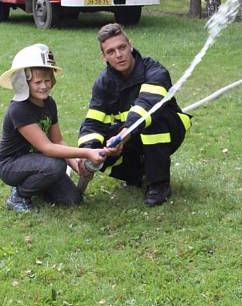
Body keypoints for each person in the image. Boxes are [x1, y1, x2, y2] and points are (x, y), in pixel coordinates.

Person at [77, 24, 191, 206]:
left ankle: (159, 184)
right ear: (104, 56)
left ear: (130, 45)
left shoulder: (154, 70)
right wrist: (89, 151)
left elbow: (147, 106)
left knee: (153, 120)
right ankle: (137, 175)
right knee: (98, 149)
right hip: (129, 137)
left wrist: (124, 134)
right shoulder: (103, 84)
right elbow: (93, 123)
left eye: (122, 47)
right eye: (111, 51)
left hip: (169, 130)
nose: (119, 55)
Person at [0, 44, 106, 213]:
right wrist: (86, 153)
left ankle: (37, 185)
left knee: (72, 199)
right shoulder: (19, 109)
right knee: (55, 166)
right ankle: (19, 194)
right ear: (23, 83)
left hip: (38, 161)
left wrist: (77, 166)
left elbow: (58, 140)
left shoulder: (49, 103)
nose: (44, 86)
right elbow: (46, 147)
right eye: (37, 82)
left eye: (47, 80)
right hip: (11, 164)